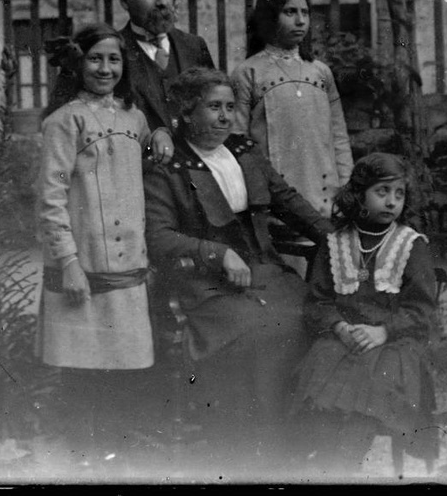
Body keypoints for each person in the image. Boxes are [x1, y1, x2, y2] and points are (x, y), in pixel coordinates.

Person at [143, 66, 334, 474]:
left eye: (230, 107)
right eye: (214, 107)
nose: (225, 117)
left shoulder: (245, 152)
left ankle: (299, 442)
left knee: (309, 318)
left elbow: (289, 201)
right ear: (187, 112)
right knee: (258, 331)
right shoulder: (168, 167)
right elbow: (158, 237)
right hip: (206, 285)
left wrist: (339, 242)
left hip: (266, 271)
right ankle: (248, 449)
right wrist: (215, 253)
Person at [36, 23, 153, 466]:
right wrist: (67, 262)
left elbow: (143, 168)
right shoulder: (65, 121)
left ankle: (118, 463)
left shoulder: (133, 119)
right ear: (77, 63)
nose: (105, 68)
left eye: (114, 60)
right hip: (85, 267)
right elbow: (51, 198)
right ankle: (83, 465)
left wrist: (158, 136)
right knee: (84, 377)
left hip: (128, 267)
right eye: (95, 58)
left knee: (125, 375)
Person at [292, 153, 439, 478]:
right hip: (344, 338)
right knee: (321, 368)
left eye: (398, 194)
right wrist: (340, 327)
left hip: (394, 342)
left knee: (375, 383)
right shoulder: (336, 243)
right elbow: (317, 301)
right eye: (382, 192)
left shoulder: (410, 246)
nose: (391, 202)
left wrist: (383, 331)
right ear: (360, 196)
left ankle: (345, 461)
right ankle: (324, 459)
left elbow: (422, 310)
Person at [231, 0, 353, 221]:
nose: (300, 21)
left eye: (305, 13)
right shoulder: (248, 72)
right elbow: (237, 140)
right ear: (269, 16)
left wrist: (346, 185)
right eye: (290, 12)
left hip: (325, 192)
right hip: (276, 192)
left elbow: (338, 135)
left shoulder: (320, 72)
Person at [117, 0, 215, 164]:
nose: (162, 1)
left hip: (198, 166)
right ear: (125, 2)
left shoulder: (194, 46)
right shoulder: (114, 53)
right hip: (144, 169)